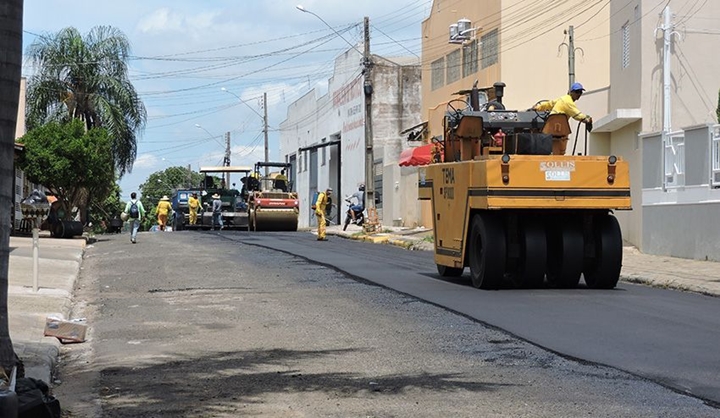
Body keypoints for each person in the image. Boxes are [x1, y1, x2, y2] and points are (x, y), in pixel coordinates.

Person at [533, 82, 593, 155]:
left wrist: (538, 107)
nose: (579, 94)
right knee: (562, 138)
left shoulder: (562, 99)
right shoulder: (568, 102)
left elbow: (550, 104)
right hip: (559, 129)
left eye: (580, 92)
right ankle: (560, 153)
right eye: (577, 92)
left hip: (550, 128)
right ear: (571, 92)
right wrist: (587, 118)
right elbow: (577, 114)